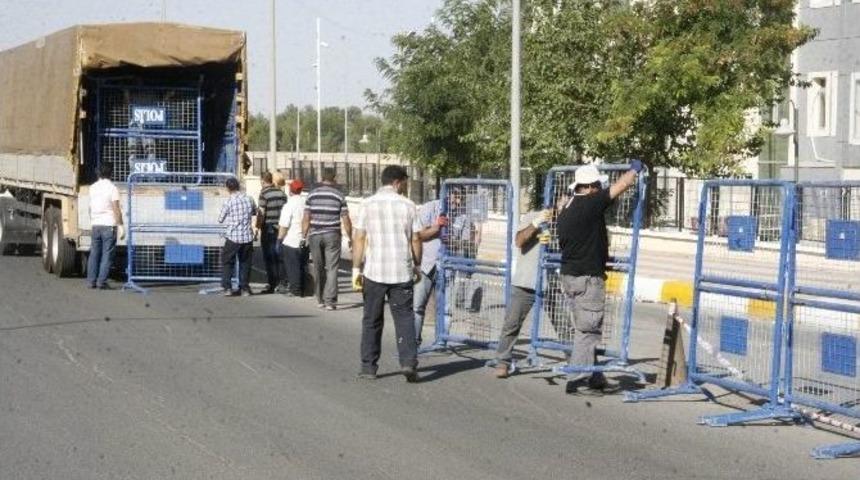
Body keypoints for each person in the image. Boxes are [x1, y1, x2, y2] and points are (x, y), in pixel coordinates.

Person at [556, 161, 642, 393]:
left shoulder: (566, 208)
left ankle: (595, 377)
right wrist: (635, 169)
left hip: (569, 276)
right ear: (592, 186)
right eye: (597, 186)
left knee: (584, 326)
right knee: (589, 331)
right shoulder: (591, 202)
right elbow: (622, 185)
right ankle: (575, 377)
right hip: (587, 278)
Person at [352, 165, 423, 382]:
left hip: (374, 272)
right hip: (401, 272)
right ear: (397, 182)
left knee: (371, 320)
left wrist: (356, 268)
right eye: (405, 182)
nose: (406, 186)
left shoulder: (367, 204)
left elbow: (360, 238)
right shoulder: (409, 206)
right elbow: (416, 239)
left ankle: (368, 367)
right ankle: (408, 362)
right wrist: (417, 266)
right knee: (405, 319)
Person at [492, 205, 555, 378]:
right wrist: (536, 223)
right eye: (563, 198)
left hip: (551, 282)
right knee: (511, 324)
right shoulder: (533, 216)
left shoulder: (566, 221)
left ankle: (576, 364)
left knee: (564, 325)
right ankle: (503, 361)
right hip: (526, 280)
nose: (566, 202)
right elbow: (519, 241)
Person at [302, 168, 352, 310]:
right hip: (332, 234)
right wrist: (350, 237)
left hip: (315, 234)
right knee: (332, 268)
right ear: (334, 178)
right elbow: (346, 219)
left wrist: (303, 235)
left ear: (322, 178)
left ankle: (320, 299)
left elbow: (306, 217)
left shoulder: (312, 195)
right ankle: (330, 301)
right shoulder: (339, 195)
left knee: (318, 267)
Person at [413, 199, 447, 347]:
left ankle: (442, 340)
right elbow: (418, 235)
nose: (458, 200)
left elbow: (466, 240)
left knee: (446, 308)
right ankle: (414, 341)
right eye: (455, 195)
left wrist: (452, 237)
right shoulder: (429, 208)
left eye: (461, 197)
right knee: (418, 306)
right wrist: (436, 228)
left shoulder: (461, 213)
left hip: (447, 267)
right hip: (427, 265)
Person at [86, 162, 124, 289]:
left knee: (94, 253)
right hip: (108, 225)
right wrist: (121, 225)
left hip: (96, 224)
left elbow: (90, 207)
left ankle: (91, 280)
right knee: (107, 255)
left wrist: (93, 220)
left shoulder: (92, 188)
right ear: (111, 173)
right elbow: (116, 209)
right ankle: (101, 281)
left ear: (99, 173)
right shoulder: (112, 188)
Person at [218, 177, 256, 297]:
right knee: (245, 262)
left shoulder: (229, 202)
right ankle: (244, 288)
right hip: (247, 236)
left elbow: (220, 219)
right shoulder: (249, 199)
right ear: (238, 186)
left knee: (227, 261)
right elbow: (255, 212)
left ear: (228, 188)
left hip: (233, 236)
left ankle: (227, 288)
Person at [257, 171, 288, 294]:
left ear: (262, 181)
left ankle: (272, 283)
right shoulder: (282, 194)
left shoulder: (264, 193)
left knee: (269, 257)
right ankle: (282, 283)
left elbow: (261, 213)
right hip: (281, 228)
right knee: (280, 256)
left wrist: (257, 227)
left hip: (269, 228)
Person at [278, 179, 308, 297]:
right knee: (302, 265)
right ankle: (304, 287)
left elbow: (284, 225)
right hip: (304, 239)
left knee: (292, 266)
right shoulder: (305, 203)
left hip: (291, 239)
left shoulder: (289, 205)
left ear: (290, 190)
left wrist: (280, 238)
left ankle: (295, 289)